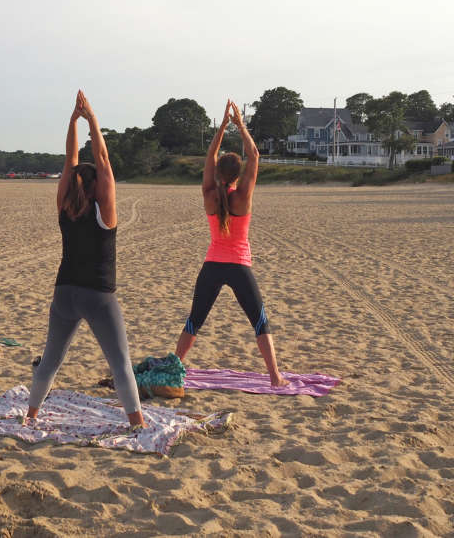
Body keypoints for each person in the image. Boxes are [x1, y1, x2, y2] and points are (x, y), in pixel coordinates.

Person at [25, 91, 146, 428]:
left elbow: (69, 160)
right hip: (98, 296)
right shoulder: (103, 211)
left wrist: (73, 121)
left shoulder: (65, 206)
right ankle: (138, 424)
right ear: (97, 188)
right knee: (120, 363)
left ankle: (30, 416)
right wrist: (91, 118)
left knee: (50, 361)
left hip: (64, 293)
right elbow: (102, 160)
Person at [174, 100, 289, 387]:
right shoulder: (243, 197)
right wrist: (240, 124)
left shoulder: (209, 194)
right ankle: (275, 376)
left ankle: (174, 368)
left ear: (217, 174)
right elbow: (255, 154)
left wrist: (222, 127)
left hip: (212, 265)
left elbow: (210, 155)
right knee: (259, 321)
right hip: (238, 266)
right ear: (238, 175)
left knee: (194, 321)